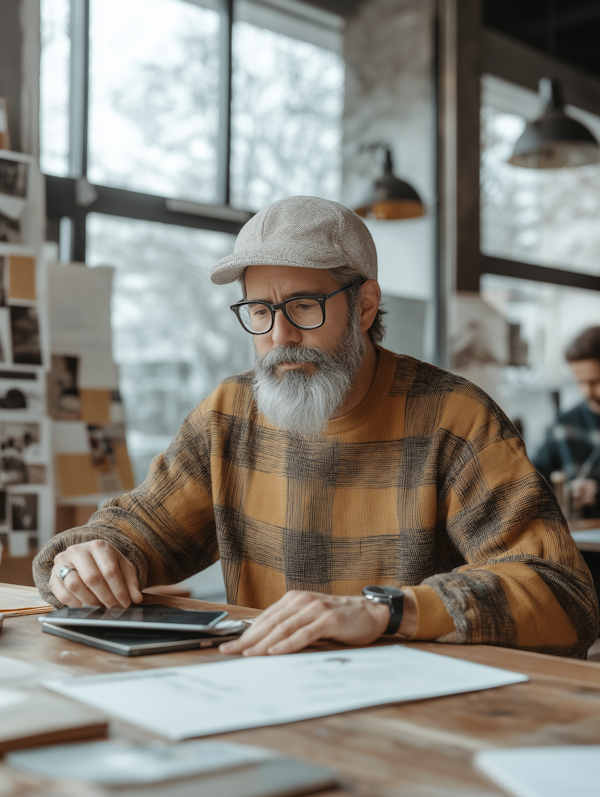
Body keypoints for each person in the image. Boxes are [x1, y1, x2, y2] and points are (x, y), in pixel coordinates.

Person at [33, 196, 598, 658]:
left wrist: (385, 611)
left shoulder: (455, 418)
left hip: (421, 710)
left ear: (366, 305)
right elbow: (140, 531)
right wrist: (88, 557)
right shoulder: (228, 413)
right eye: (259, 311)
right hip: (264, 691)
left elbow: (562, 595)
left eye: (304, 306)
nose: (279, 337)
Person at [533, 327, 600, 517]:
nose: (587, 391)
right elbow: (534, 477)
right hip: (580, 539)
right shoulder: (565, 423)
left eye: (595, 381)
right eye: (579, 382)